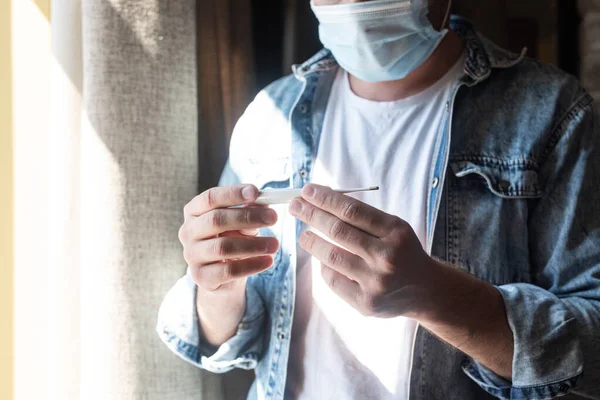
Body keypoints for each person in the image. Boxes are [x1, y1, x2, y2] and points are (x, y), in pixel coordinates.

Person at [157, 0, 600, 399]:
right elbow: (227, 336)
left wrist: (436, 296)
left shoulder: (552, 115)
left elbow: (592, 353)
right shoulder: (271, 117)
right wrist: (218, 285)